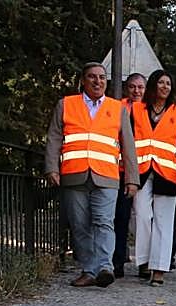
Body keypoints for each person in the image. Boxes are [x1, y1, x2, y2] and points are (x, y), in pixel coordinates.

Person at [44, 62, 139, 288]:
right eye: (92, 77)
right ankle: (89, 269)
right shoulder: (66, 105)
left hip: (106, 175)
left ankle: (104, 266)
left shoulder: (118, 109)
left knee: (104, 222)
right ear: (83, 81)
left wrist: (132, 179)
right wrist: (51, 168)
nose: (98, 81)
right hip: (74, 174)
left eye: (102, 77)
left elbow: (128, 146)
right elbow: (54, 138)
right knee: (79, 224)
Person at [131, 70, 176, 286]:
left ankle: (159, 269)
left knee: (164, 222)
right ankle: (144, 261)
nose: (164, 87)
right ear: (153, 85)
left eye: (168, 84)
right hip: (141, 171)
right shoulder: (136, 110)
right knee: (142, 216)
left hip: (168, 173)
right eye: (161, 83)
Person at [112, 73, 146, 277]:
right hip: (121, 170)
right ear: (126, 88)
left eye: (140, 87)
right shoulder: (118, 108)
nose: (137, 91)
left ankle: (145, 262)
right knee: (120, 217)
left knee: (143, 218)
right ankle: (118, 261)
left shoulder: (150, 110)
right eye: (133, 87)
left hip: (147, 170)